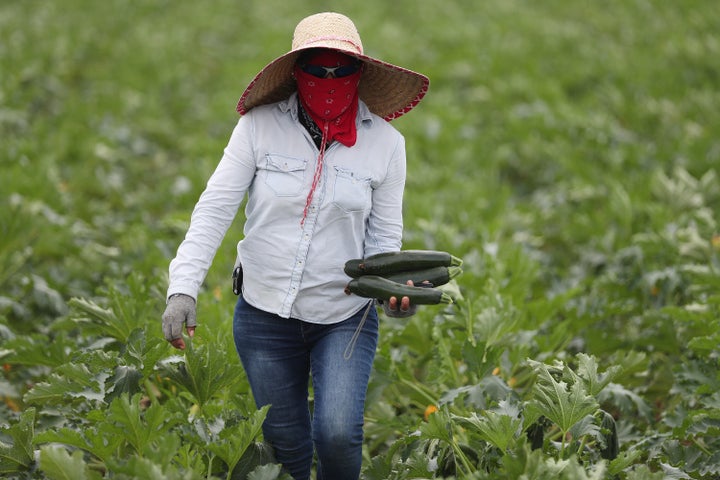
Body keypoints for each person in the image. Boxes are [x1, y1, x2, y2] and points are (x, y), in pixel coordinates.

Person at [161, 11, 429, 480]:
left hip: (343, 315)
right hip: (264, 315)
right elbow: (214, 209)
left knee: (338, 434)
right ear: (296, 72)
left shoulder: (387, 144)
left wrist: (394, 296)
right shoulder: (258, 128)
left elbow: (385, 238)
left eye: (342, 70)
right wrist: (183, 288)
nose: (330, 79)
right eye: (318, 70)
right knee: (286, 445)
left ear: (359, 73)